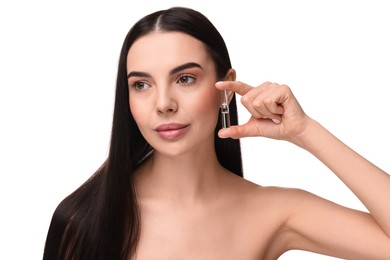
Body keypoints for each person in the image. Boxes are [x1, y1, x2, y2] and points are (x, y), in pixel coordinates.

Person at [43, 6, 390, 260]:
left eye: (185, 79)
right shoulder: (83, 220)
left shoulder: (273, 211)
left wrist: (305, 131)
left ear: (225, 88)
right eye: (141, 85)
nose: (163, 103)